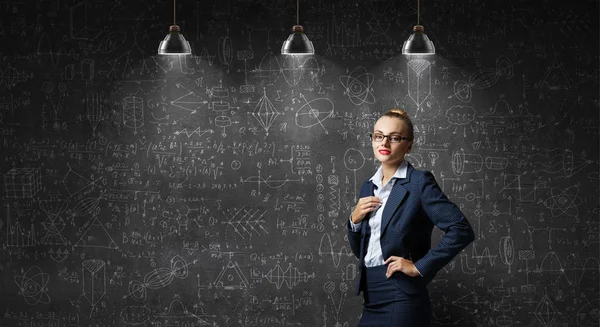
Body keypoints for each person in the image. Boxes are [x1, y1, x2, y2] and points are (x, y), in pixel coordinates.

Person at [347, 109, 475, 326]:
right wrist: (354, 221)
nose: (384, 143)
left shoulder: (419, 182)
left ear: (409, 144)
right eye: (378, 136)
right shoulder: (368, 186)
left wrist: (419, 267)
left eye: (395, 138)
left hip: (401, 294)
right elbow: (362, 251)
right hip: (371, 296)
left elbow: (461, 229)